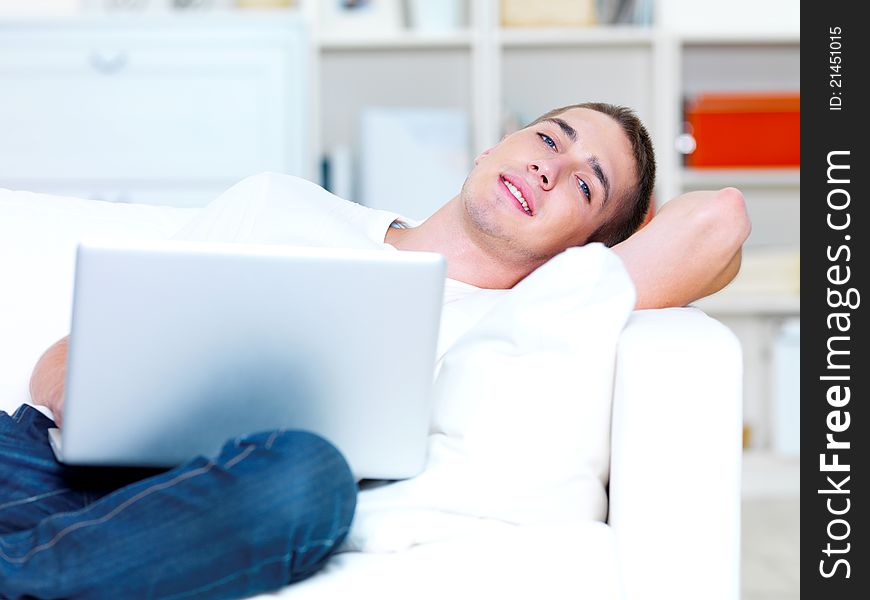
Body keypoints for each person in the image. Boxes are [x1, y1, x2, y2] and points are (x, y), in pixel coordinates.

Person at [1, 102, 749, 599]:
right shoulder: (279, 202)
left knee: (308, 476)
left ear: (585, 250)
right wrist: (96, 391)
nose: (549, 168)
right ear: (497, 144)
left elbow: (717, 223)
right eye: (549, 139)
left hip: (232, 503)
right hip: (55, 464)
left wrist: (606, 275)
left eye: (585, 187)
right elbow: (63, 357)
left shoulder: (527, 323)